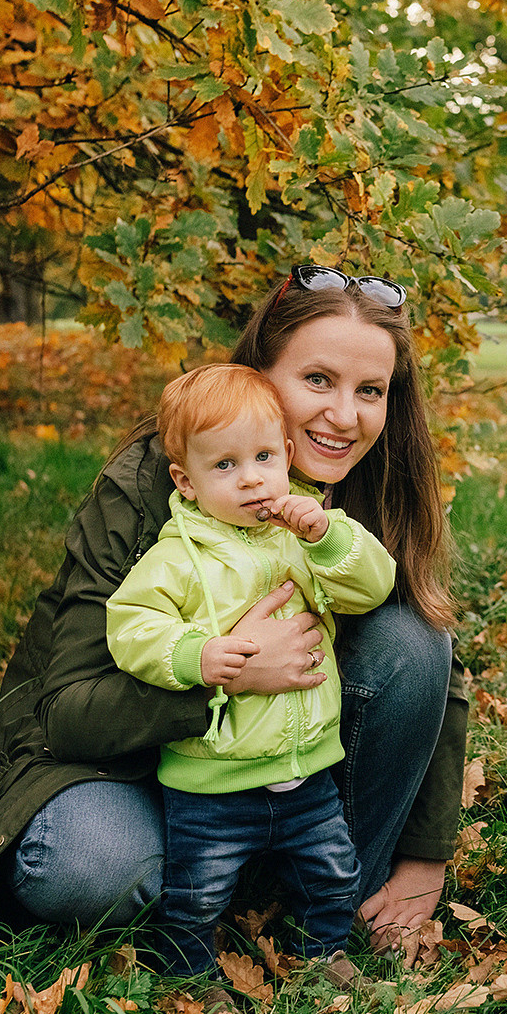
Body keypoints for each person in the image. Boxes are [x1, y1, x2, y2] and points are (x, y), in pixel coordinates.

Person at [0, 268, 464, 949]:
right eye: (318, 380)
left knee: (414, 642)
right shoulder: (150, 483)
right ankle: (200, 890)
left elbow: (434, 667)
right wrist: (223, 675)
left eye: (370, 391)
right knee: (91, 865)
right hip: (127, 763)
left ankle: (316, 892)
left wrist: (427, 855)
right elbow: (67, 710)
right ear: (258, 372)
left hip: (285, 762)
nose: (344, 415)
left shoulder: (365, 484)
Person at [108, 363, 396, 980]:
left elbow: (373, 588)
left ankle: (326, 956)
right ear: (185, 482)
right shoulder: (177, 557)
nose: (250, 480)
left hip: (307, 766)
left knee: (331, 873)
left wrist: (327, 537)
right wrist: (196, 655)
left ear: (286, 455)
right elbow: (131, 625)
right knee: (196, 893)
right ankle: (192, 976)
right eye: (224, 466)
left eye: (263, 457)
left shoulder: (301, 537)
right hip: (211, 780)